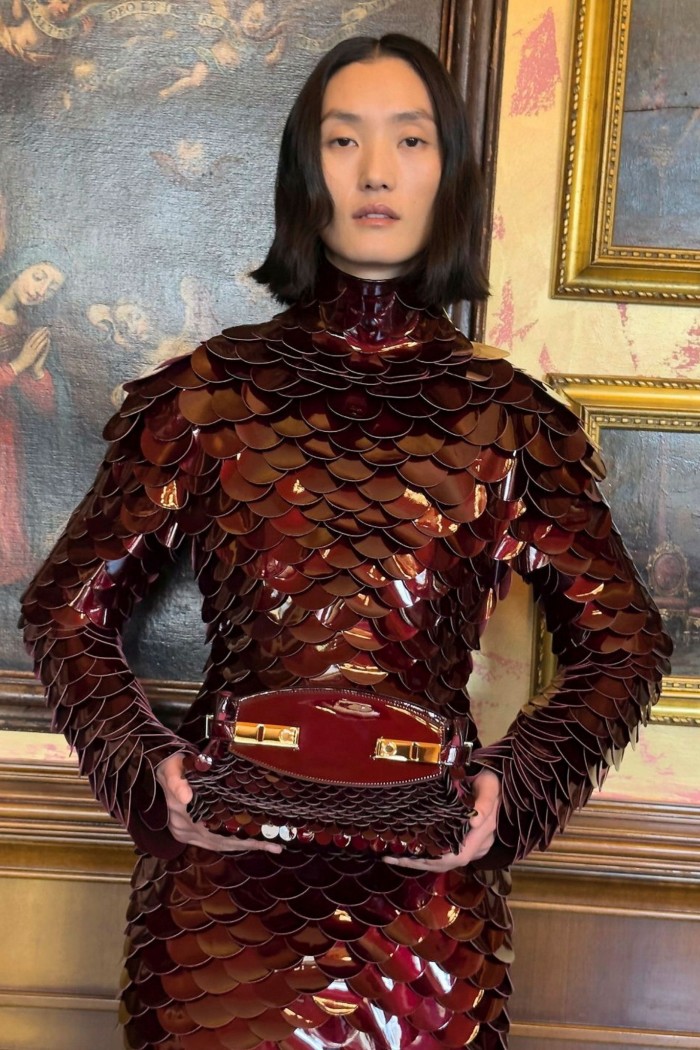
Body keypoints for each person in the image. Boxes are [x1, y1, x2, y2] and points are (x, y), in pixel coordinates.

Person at [20, 33, 671, 1050]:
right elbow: (66, 607)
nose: (375, 170)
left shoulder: (506, 417)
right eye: (342, 139)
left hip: (422, 930)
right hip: (216, 924)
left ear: (447, 170)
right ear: (304, 171)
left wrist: (514, 787)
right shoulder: (210, 394)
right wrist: (152, 768)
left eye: (409, 139)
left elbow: (624, 644)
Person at [0, 255, 64, 585]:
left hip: (6, 431)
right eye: (39, 276)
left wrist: (37, 370)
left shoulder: (26, 328)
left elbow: (45, 407)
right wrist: (18, 364)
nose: (42, 290)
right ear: (17, 266)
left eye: (51, 287)